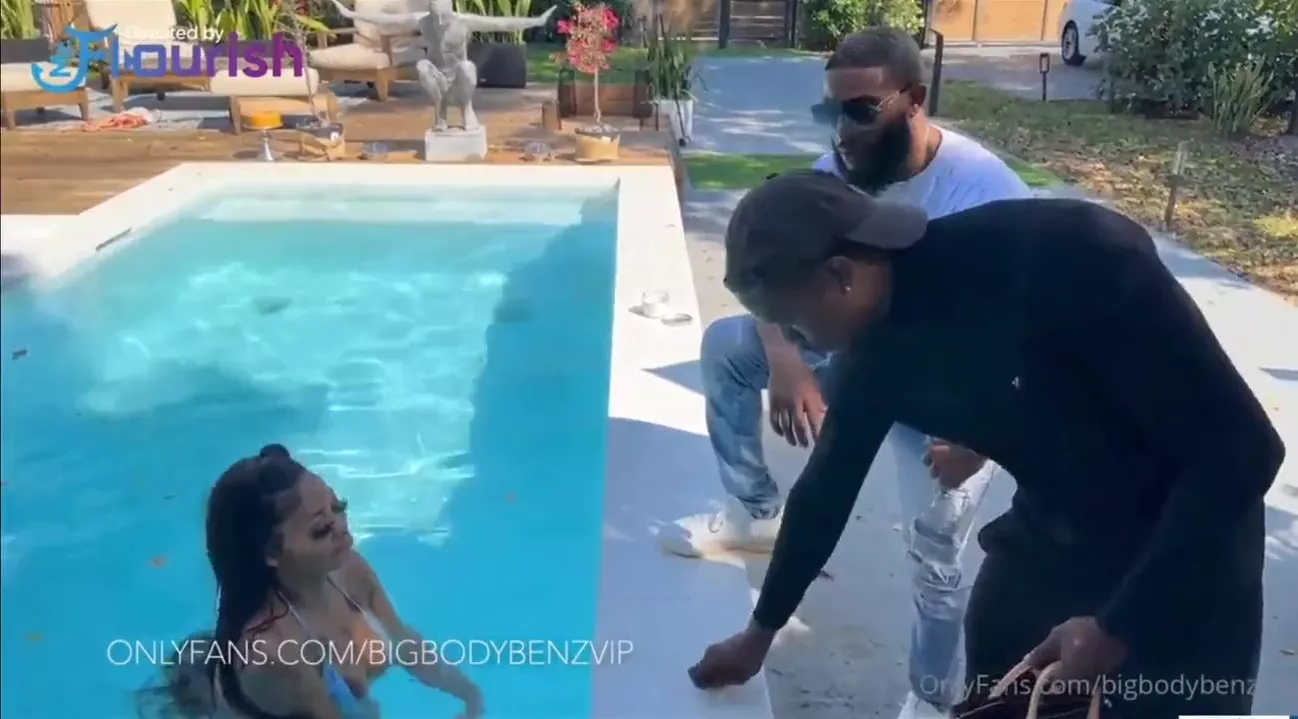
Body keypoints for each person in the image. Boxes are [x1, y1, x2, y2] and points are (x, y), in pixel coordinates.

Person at [687, 171, 1283, 719]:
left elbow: (1245, 450)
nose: (796, 343)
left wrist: (1117, 629)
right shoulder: (869, 360)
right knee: (993, 687)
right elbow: (824, 491)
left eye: (793, 324)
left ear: (841, 275)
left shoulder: (1076, 254)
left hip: (1185, 548)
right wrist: (760, 634)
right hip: (1050, 537)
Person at [660, 26, 1032, 717]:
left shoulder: (987, 194)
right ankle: (753, 512)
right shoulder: (836, 168)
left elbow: (1024, 338)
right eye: (830, 111)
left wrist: (980, 440)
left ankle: (930, 697)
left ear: (914, 100)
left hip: (955, 390)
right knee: (728, 347)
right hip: (856, 346)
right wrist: (784, 357)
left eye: (861, 110)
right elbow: (772, 269)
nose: (843, 130)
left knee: (935, 553)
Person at [140, 444, 484, 719]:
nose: (342, 528)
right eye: (321, 529)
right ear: (272, 552)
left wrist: (470, 696)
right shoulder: (273, 654)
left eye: (339, 507)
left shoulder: (346, 568)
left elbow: (404, 641)